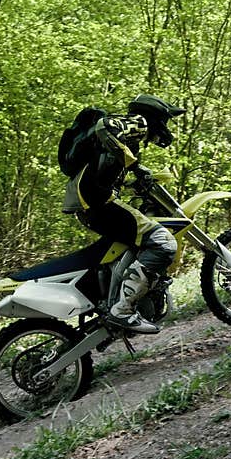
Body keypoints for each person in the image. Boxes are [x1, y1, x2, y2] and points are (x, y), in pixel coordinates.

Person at [61, 94, 185, 334]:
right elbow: (104, 126)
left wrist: (134, 177)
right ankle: (123, 310)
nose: (166, 128)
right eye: (166, 120)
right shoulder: (140, 122)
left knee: (135, 241)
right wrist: (134, 164)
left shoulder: (132, 137)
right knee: (163, 243)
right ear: (156, 116)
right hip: (96, 201)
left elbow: (106, 168)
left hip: (89, 202)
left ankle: (118, 299)